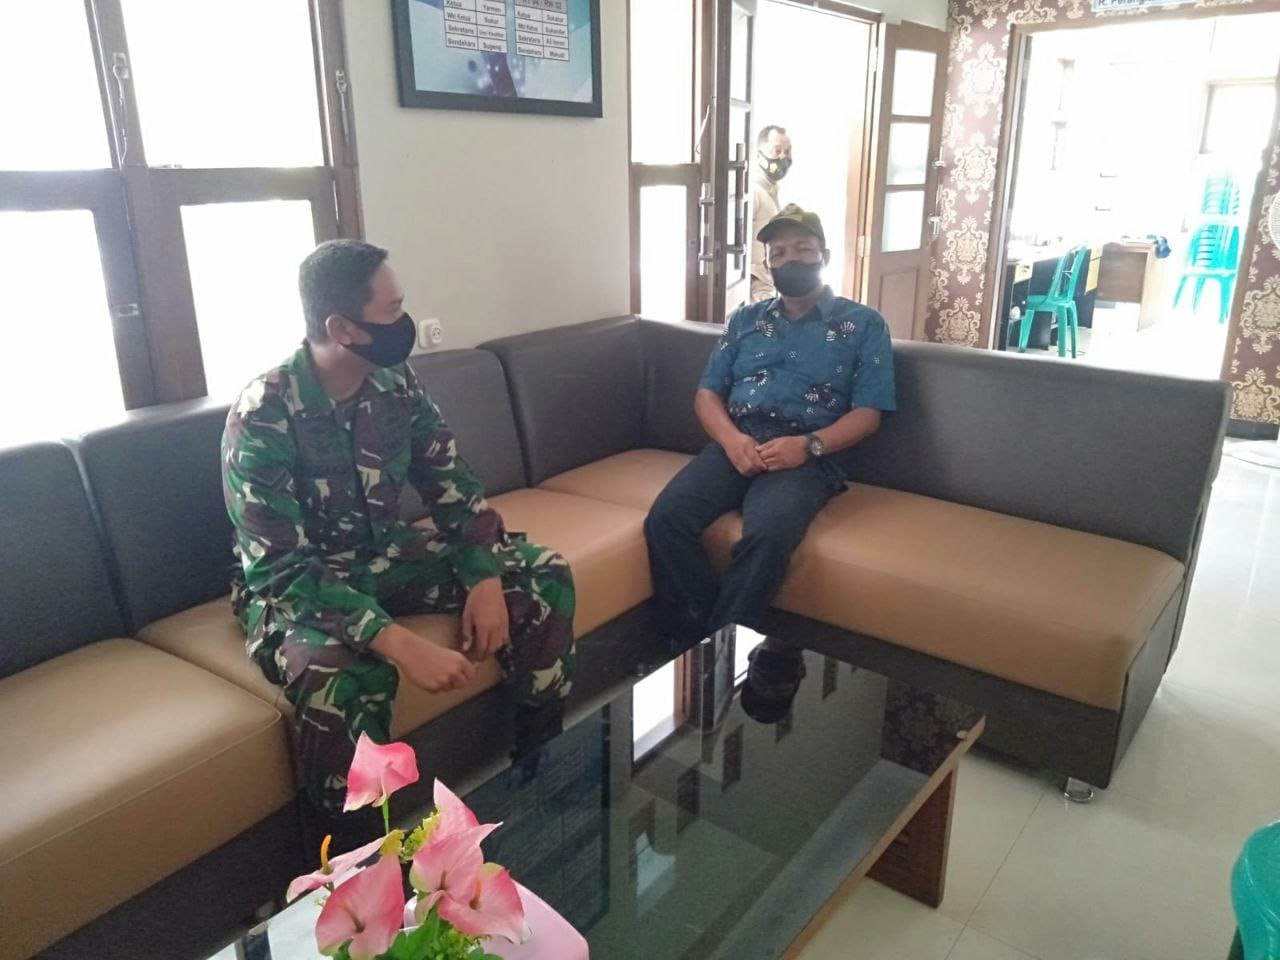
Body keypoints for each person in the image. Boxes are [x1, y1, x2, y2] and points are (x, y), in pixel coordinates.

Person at [222, 239, 576, 818]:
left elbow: (454, 487)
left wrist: (484, 577)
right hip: (299, 588)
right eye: (392, 311)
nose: (404, 322)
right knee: (336, 674)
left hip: (382, 554)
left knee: (542, 575)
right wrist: (400, 643)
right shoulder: (264, 412)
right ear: (342, 328)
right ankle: (353, 846)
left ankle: (538, 765)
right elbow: (279, 568)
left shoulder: (395, 382)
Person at [644, 205, 895, 646]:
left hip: (807, 455)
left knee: (768, 534)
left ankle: (717, 652)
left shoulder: (864, 324)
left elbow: (869, 413)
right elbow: (707, 394)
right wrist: (731, 440)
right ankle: (704, 639)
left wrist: (808, 445)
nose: (790, 259)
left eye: (803, 249)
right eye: (778, 253)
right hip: (738, 442)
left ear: (824, 256)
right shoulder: (746, 320)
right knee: (666, 519)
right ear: (768, 264)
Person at [751, 125, 794, 303]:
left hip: (771, 282)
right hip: (756, 285)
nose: (783, 157)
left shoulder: (773, 190)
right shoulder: (752, 192)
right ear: (759, 154)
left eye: (787, 151)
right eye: (776, 151)